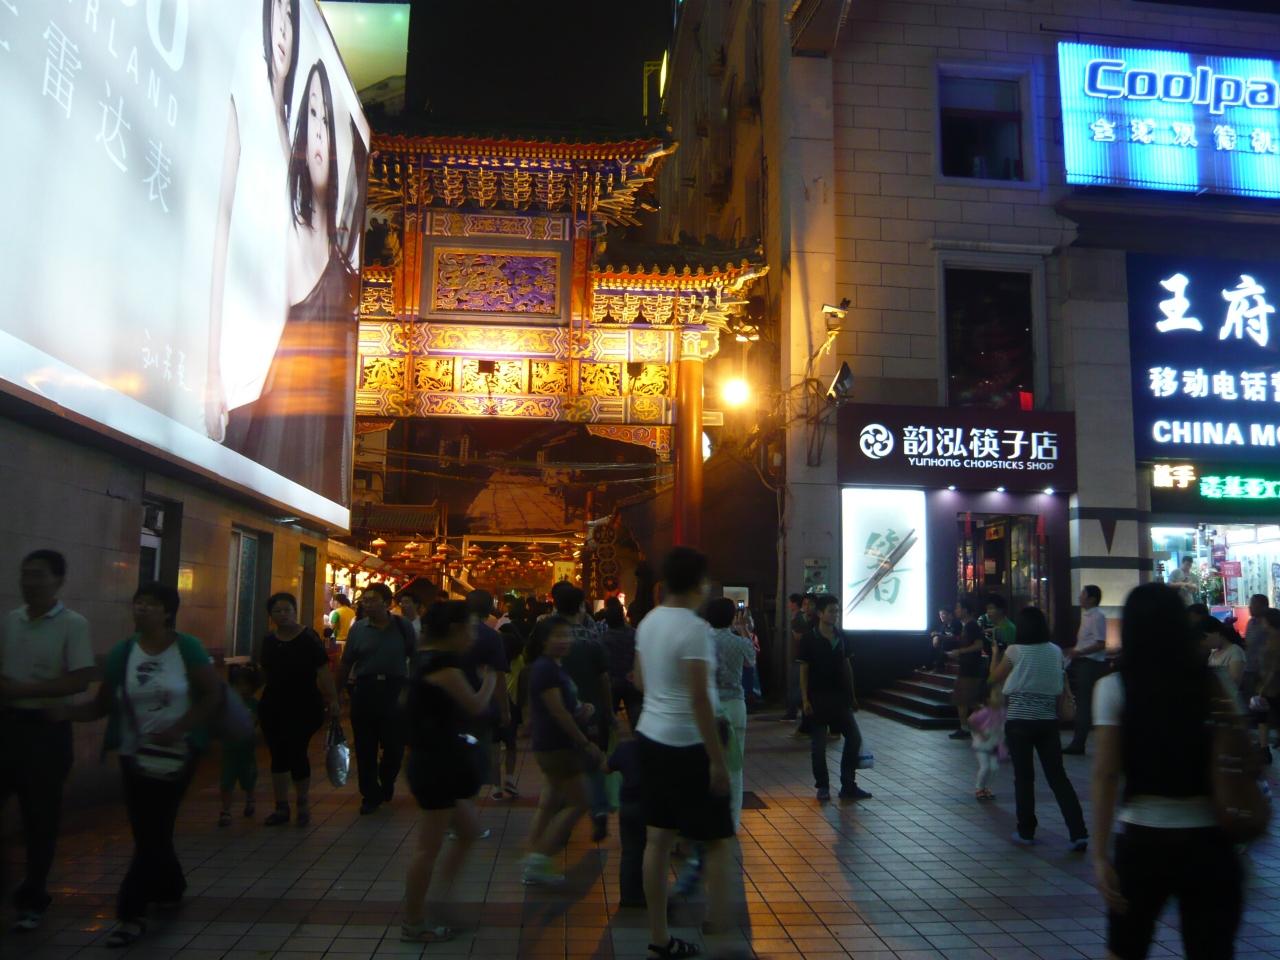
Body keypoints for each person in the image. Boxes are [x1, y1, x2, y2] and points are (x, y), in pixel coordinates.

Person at [224, 57, 360, 502]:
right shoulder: (290, 227)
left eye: (325, 120)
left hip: (324, 420)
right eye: (312, 116)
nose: (319, 131)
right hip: (289, 415)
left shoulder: (337, 245)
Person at [58, 583, 220, 949]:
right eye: (138, 603)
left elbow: (212, 694)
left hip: (178, 755)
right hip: (134, 754)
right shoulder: (124, 652)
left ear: (168, 612)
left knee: (152, 829)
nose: (142, 609)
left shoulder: (187, 648)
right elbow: (102, 704)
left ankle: (130, 913)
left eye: (151, 604)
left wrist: (180, 728)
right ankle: (171, 886)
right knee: (151, 829)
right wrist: (64, 713)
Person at [1090, 583, 1244, 960]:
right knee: (1211, 950)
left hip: (1143, 839)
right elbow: (1238, 754)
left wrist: (1100, 853)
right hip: (1212, 840)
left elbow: (1106, 774)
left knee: (1125, 948)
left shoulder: (1114, 687)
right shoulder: (1216, 683)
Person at [205, 0, 301, 443]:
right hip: (235, 362)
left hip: (272, 369)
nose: (282, 28)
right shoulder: (241, 102)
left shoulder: (289, 129)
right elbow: (220, 231)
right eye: (276, 12)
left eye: (290, 17)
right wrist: (212, 370)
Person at [635, 547, 737, 960]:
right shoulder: (695, 629)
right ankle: (720, 935)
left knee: (657, 840)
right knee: (717, 842)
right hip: (689, 744)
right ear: (698, 583)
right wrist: (717, 761)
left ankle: (659, 938)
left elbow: (640, 680)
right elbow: (698, 699)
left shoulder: (648, 622)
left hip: (650, 737)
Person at [0, 550, 94, 933]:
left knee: (40, 818)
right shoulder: (11, 620)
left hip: (46, 730)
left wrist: (27, 690)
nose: (30, 582)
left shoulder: (73, 624)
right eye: (25, 574)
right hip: (7, 725)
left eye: (38, 575)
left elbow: (81, 678)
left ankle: (33, 897)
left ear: (58, 580)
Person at [401, 601, 496, 944]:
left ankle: (440, 900)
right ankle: (413, 922)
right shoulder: (444, 666)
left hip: (434, 760)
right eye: (470, 628)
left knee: (468, 831)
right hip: (435, 765)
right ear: (455, 630)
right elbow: (476, 705)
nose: (473, 636)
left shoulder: (425, 658)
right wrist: (491, 678)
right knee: (427, 848)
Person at [988, 606, 1088, 850]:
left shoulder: (1014, 651)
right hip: (1047, 721)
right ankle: (1078, 832)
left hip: (1019, 721)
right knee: (1058, 777)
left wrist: (995, 654)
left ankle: (1026, 831)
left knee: (1024, 778)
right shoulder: (1055, 651)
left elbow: (994, 678)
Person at [522, 617, 603, 886]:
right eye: (557, 636)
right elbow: (558, 712)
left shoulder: (552, 667)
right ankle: (539, 858)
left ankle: (532, 855)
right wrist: (584, 742)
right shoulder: (546, 669)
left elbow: (562, 709)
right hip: (558, 746)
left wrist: (581, 710)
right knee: (580, 802)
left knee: (549, 803)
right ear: (543, 640)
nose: (564, 640)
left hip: (552, 744)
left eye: (567, 635)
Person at [259, 592, 339, 826]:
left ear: (295, 611)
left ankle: (302, 803)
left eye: (287, 610)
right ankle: (281, 806)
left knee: (297, 751)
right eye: (277, 611)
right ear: (270, 615)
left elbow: (322, 670)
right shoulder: (269, 640)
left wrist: (333, 698)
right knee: (277, 754)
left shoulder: (308, 638)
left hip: (304, 704)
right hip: (273, 704)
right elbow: (265, 673)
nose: (283, 615)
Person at [335, 583, 415, 814]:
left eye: (372, 600)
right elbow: (346, 663)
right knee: (365, 746)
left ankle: (387, 778)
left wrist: (410, 690)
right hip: (365, 689)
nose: (366, 604)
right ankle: (370, 794)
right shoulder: (358, 629)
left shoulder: (403, 626)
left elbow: (415, 658)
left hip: (394, 690)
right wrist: (336, 694)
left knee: (394, 745)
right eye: (365, 600)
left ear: (387, 603)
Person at [552, 585, 613, 841]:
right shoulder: (592, 638)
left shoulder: (550, 639)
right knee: (593, 762)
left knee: (561, 767)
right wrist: (609, 712)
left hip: (558, 711)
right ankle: (598, 810)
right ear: (581, 606)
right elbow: (604, 678)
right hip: (591, 711)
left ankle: (561, 820)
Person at [799, 594, 871, 804]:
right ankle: (822, 786)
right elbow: (804, 669)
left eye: (837, 611)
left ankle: (848, 784)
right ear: (820, 613)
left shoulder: (842, 636)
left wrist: (853, 695)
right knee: (818, 746)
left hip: (840, 697)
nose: (835, 615)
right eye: (831, 611)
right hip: (818, 697)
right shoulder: (809, 638)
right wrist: (805, 699)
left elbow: (847, 666)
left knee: (854, 738)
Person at [707, 598, 756, 830]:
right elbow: (751, 661)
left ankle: (709, 817)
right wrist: (744, 629)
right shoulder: (739, 642)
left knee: (708, 761)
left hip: (709, 706)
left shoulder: (702, 641)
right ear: (732, 617)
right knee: (735, 765)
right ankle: (732, 821)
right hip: (735, 705)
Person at [462, 590, 509, 823]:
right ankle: (465, 815)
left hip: (451, 705)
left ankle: (456, 816)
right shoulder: (491, 637)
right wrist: (505, 710)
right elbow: (498, 676)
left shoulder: (452, 633)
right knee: (477, 759)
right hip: (481, 706)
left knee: (457, 759)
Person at [1063, 585, 1107, 755]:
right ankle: (1078, 740)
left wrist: (1078, 652)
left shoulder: (1097, 616)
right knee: (1083, 702)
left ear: (1092, 599)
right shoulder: (1087, 615)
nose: (1080, 597)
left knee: (1084, 703)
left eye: (1083, 594)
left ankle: (1079, 742)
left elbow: (1100, 643)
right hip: (1083, 662)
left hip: (1091, 664)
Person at [218, 664, 260, 828]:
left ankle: (250, 799)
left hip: (246, 749)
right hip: (229, 748)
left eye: (245, 685)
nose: (242, 689)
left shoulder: (254, 704)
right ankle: (226, 810)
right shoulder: (228, 703)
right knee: (226, 780)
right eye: (238, 685)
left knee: (248, 777)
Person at [607, 733, 645, 909]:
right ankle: (645, 892)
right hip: (649, 805)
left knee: (629, 852)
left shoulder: (625, 747)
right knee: (648, 851)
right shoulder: (658, 748)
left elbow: (606, 767)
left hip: (628, 804)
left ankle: (628, 895)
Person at [947, 597, 986, 740]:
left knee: (967, 700)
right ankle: (966, 727)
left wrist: (960, 652)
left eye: (958, 608)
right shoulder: (966, 626)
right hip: (967, 667)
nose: (956, 611)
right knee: (963, 699)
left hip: (971, 668)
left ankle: (989, 723)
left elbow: (979, 645)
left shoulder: (972, 626)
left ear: (965, 610)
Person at [602, 597, 641, 729]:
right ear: (623, 617)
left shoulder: (603, 638)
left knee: (609, 717)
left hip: (612, 682)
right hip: (632, 680)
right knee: (636, 718)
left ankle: (609, 739)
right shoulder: (635, 634)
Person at [969, 690, 1005, 802]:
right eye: (997, 696)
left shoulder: (1002, 712)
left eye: (1001, 696)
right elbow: (971, 721)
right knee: (985, 767)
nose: (1000, 698)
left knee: (994, 768)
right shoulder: (985, 712)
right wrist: (980, 733)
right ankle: (979, 788)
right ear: (988, 700)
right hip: (982, 745)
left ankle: (986, 787)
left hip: (994, 745)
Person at [1257, 608, 1280, 765]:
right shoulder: (1270, 637)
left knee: (1264, 716)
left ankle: (1264, 749)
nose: (1261, 622)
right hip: (1269, 684)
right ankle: (1264, 748)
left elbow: (1275, 667)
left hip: (1272, 686)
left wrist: (1263, 687)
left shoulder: (1275, 639)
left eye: (1263, 620)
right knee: (1266, 716)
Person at [1242, 593, 1269, 701]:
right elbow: (1248, 643)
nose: (1249, 607)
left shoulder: (1269, 623)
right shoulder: (1250, 622)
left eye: (1253, 604)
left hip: (1264, 671)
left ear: (1263, 606)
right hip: (1249, 668)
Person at [1206, 620, 1246, 689]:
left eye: (1206, 637)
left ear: (1217, 633)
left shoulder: (1235, 651)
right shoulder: (1213, 652)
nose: (1206, 641)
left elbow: (1234, 682)